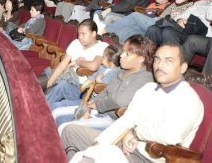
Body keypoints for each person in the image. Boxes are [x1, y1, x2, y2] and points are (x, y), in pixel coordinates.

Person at [61, 43, 204, 162]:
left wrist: (135, 133)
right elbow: (126, 120)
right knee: (70, 132)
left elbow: (171, 135)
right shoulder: (148, 89)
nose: (160, 65)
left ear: (183, 67)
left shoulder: (188, 98)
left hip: (148, 157)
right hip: (122, 143)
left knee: (88, 161)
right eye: (157, 59)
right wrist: (99, 143)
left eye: (169, 60)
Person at [102, 0, 194, 44]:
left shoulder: (190, 7)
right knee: (129, 29)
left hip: (165, 28)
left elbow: (179, 23)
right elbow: (161, 17)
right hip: (156, 23)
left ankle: (105, 30)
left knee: (135, 15)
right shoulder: (173, 5)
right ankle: (109, 42)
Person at [38, 19, 108, 90]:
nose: (80, 37)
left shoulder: (102, 46)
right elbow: (63, 64)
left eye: (83, 34)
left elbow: (93, 66)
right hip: (65, 73)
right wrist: (51, 80)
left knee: (48, 92)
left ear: (93, 34)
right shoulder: (75, 43)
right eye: (79, 34)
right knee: (36, 83)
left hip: (76, 82)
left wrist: (78, 62)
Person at [46, 45, 121, 109]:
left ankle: (45, 110)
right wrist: (88, 83)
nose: (102, 59)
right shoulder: (103, 67)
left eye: (104, 57)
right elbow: (92, 77)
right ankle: (43, 103)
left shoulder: (116, 74)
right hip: (86, 91)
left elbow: (104, 90)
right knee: (63, 85)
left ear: (111, 63)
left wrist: (98, 81)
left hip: (92, 100)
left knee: (61, 104)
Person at [146, 0, 212, 45]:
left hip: (202, 34)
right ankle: (148, 57)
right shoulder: (201, 2)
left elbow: (209, 16)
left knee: (168, 31)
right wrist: (180, 19)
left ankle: (173, 60)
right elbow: (185, 14)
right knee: (153, 29)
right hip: (186, 28)